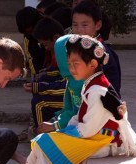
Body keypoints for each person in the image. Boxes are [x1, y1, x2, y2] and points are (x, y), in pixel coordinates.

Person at [24, 35, 136, 164]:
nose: (71, 69)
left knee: (45, 144)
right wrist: (64, 128)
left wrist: (65, 132)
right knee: (44, 142)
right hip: (92, 136)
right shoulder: (91, 83)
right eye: (69, 64)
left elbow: (87, 129)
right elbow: (80, 117)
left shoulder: (97, 92)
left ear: (93, 63)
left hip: (103, 141)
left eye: (76, 64)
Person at [38, 0, 122, 134]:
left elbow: (105, 98)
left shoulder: (102, 54)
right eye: (75, 25)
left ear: (98, 25)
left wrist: (59, 125)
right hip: (82, 110)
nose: (79, 30)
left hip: (100, 115)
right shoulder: (76, 49)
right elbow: (72, 90)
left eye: (85, 25)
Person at [22, 17, 66, 140]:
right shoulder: (60, 48)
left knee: (39, 103)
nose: (46, 48)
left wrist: (39, 87)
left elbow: (68, 84)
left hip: (76, 96)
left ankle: (43, 140)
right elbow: (61, 73)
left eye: (46, 44)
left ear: (55, 37)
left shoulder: (65, 51)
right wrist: (47, 73)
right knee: (39, 85)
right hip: (70, 90)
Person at [15, 6, 45, 76]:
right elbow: (32, 57)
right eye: (28, 32)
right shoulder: (28, 38)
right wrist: (37, 75)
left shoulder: (51, 29)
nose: (32, 34)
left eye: (32, 31)